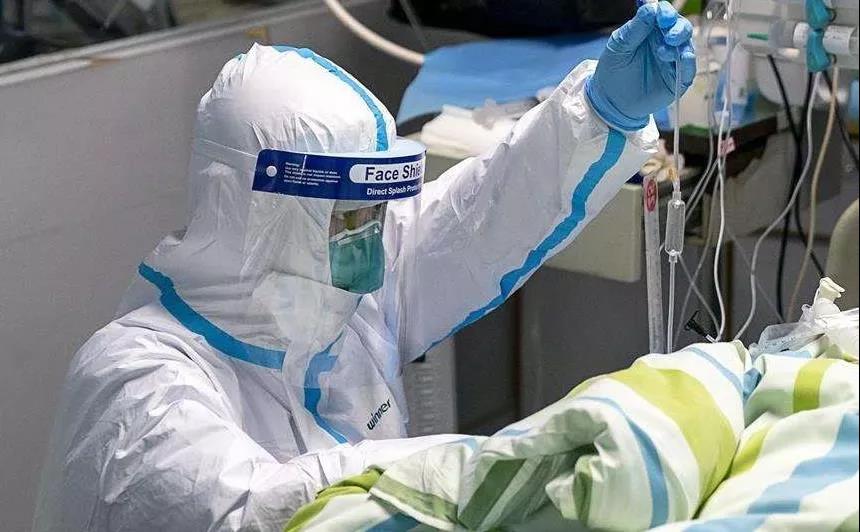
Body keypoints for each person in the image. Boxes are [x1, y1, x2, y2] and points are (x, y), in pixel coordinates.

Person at [33, 3, 695, 530]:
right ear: (260, 212)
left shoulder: (334, 305)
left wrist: (597, 114)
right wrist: (482, 468)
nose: (372, 251)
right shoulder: (133, 383)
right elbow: (259, 511)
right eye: (350, 217)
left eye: (375, 215)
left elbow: (475, 219)